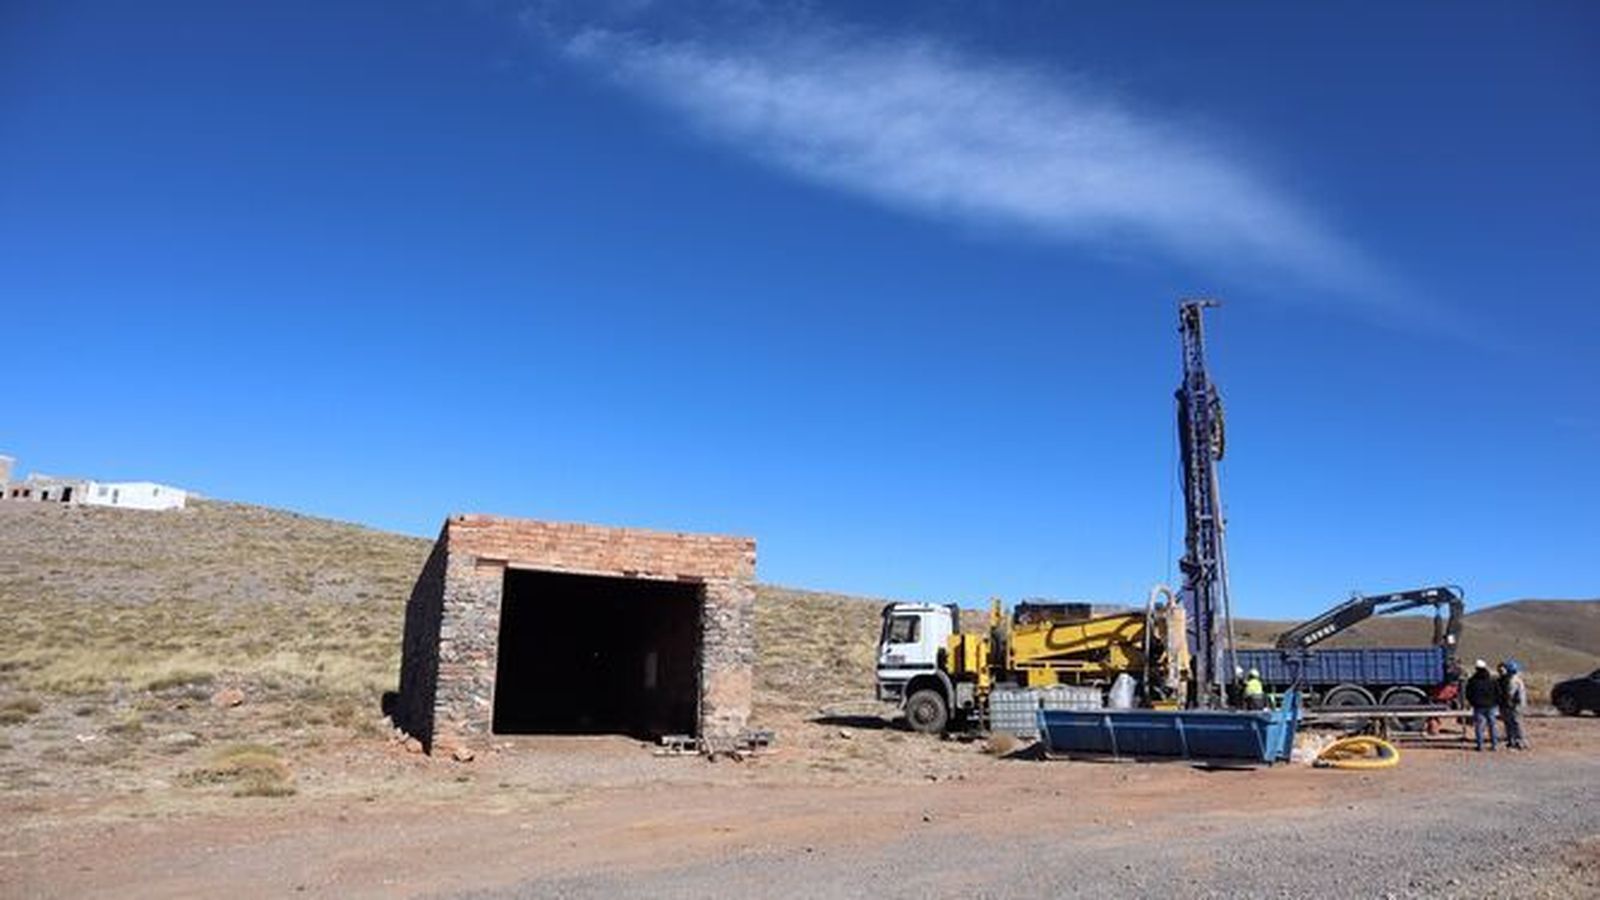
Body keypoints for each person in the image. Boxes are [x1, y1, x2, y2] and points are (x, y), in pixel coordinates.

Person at [1465, 659, 1499, 751]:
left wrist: (1472, 702)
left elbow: (1468, 693)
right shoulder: (1492, 680)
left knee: (1480, 726)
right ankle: (1494, 745)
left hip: (1478, 706)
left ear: (1476, 668)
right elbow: (1497, 692)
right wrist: (1495, 702)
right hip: (1491, 706)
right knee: (1492, 725)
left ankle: (1480, 745)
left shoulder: (1472, 681)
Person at [1500, 659, 1529, 750]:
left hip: (1516, 705)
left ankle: (1521, 741)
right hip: (1517, 705)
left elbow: (1510, 694)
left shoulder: (1513, 680)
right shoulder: (1517, 679)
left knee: (1516, 723)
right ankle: (1513, 740)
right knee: (1513, 723)